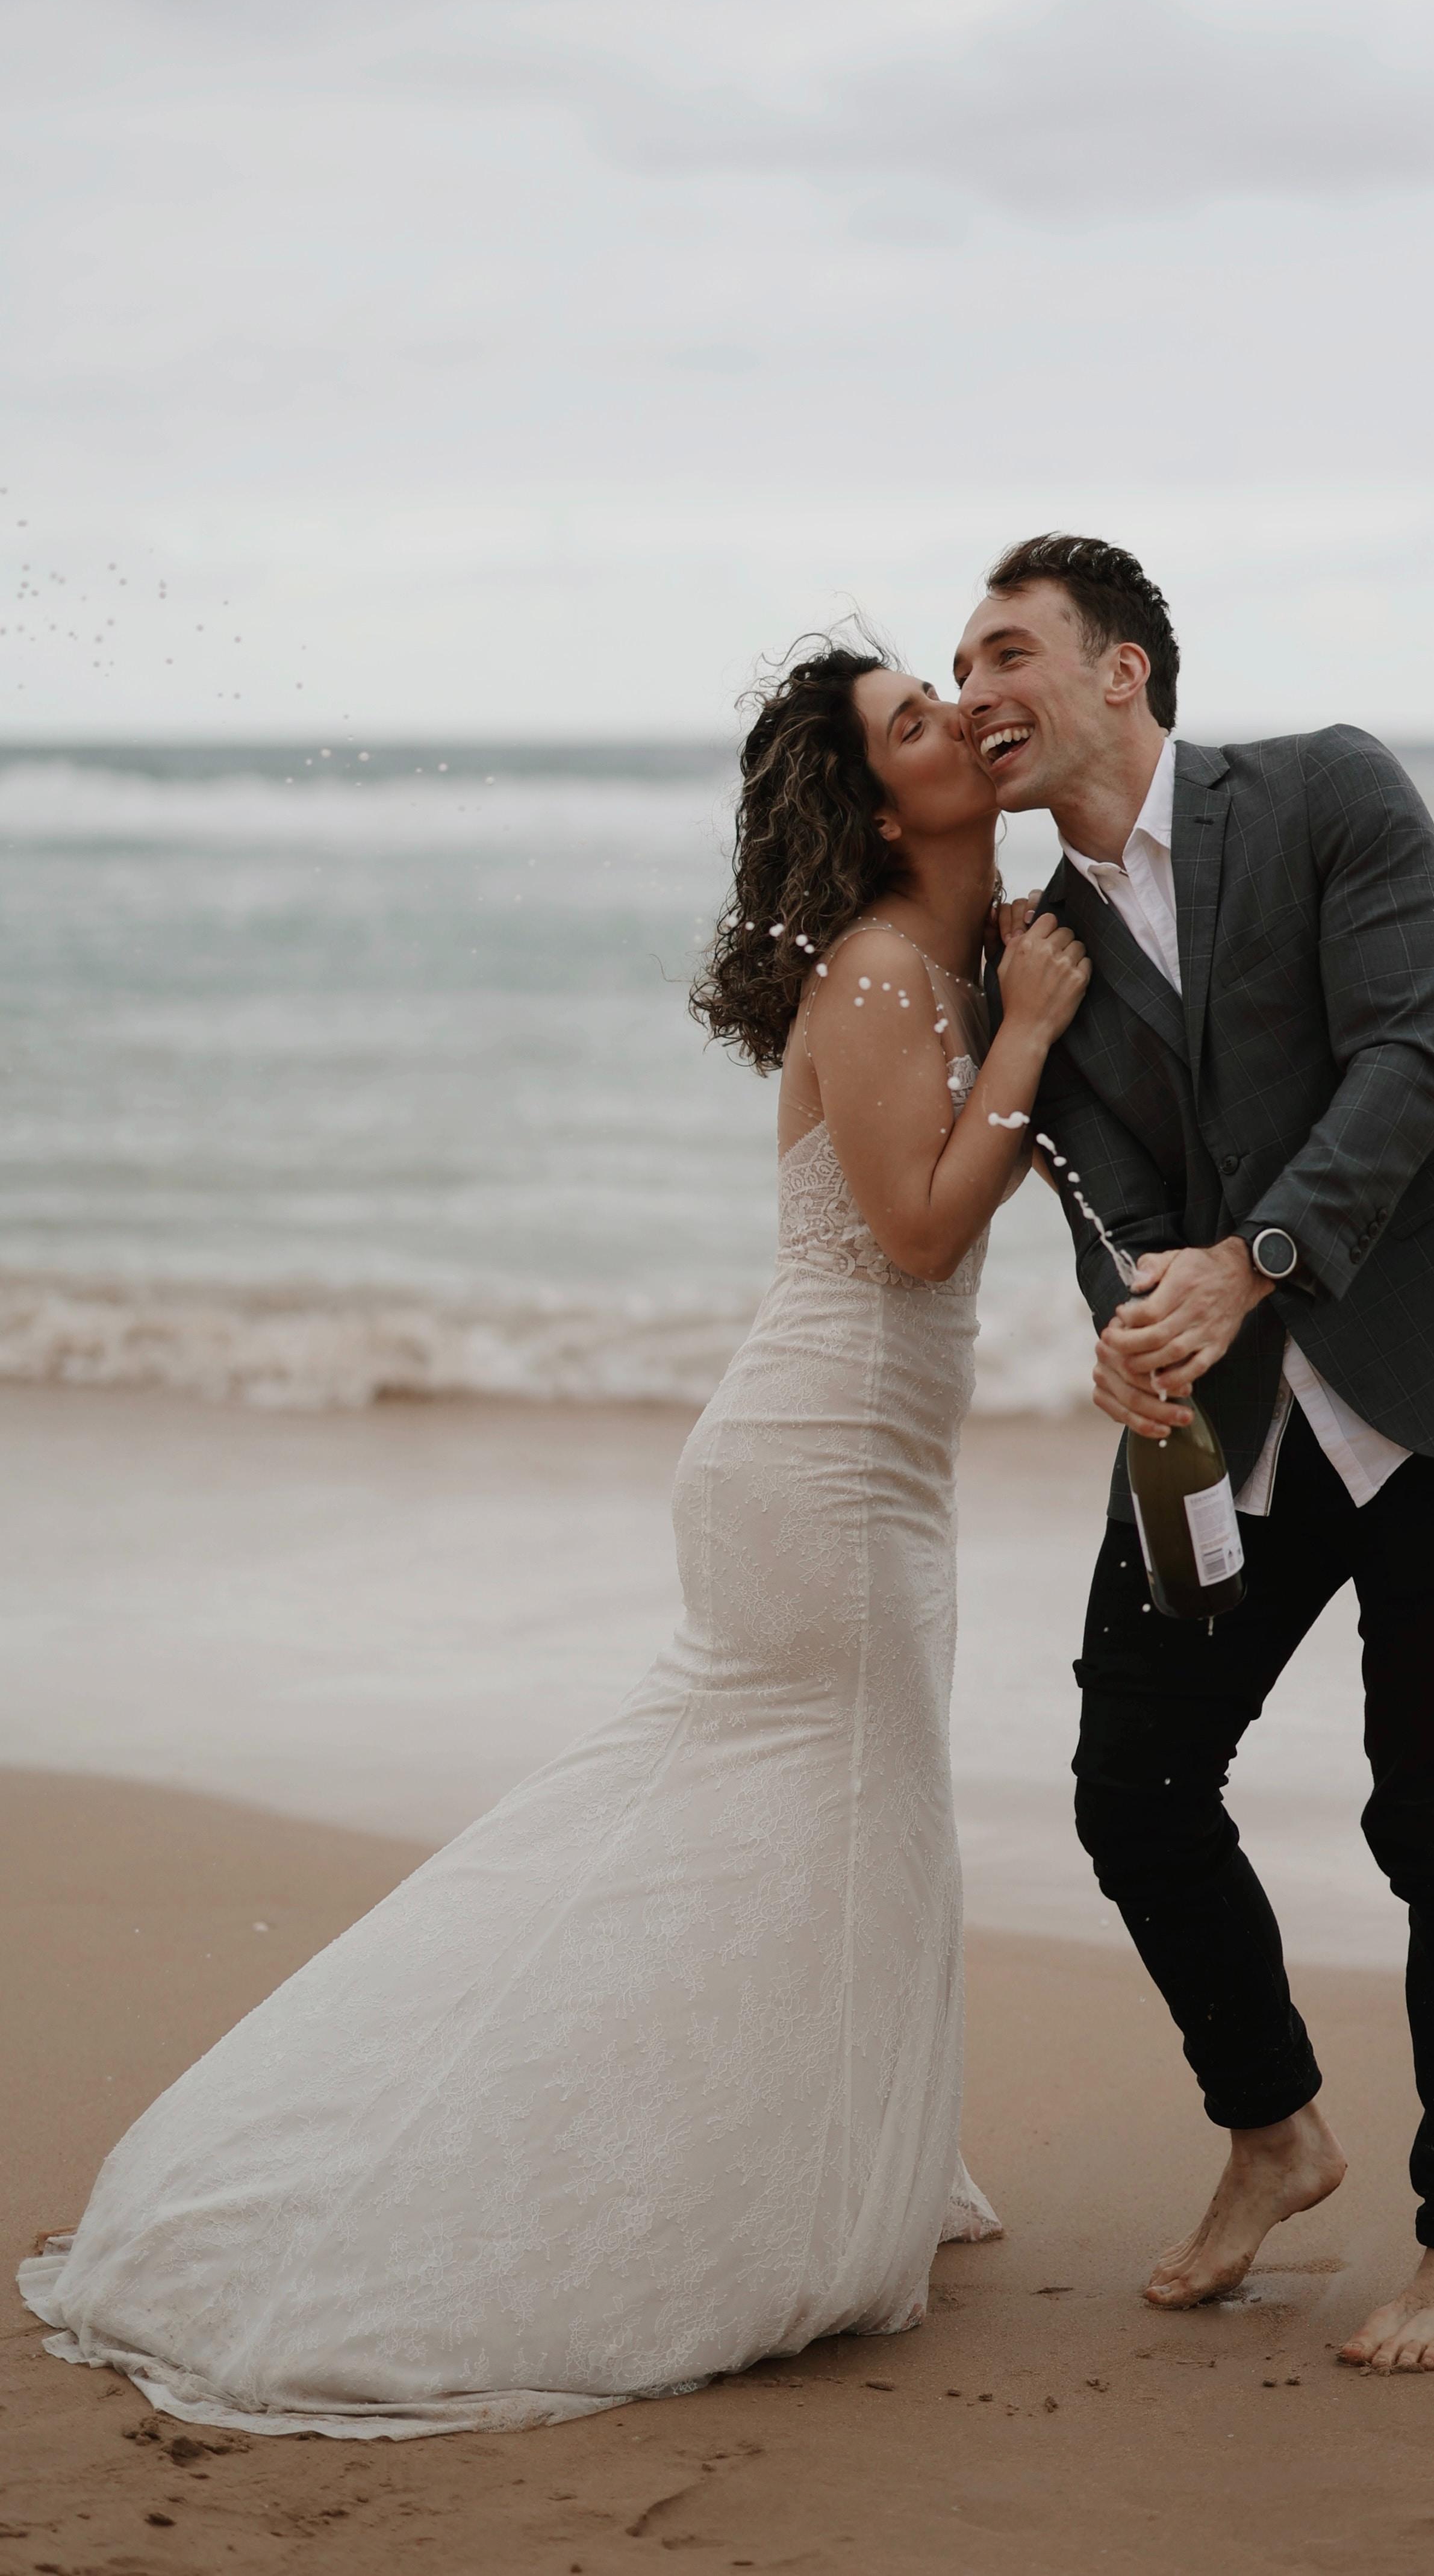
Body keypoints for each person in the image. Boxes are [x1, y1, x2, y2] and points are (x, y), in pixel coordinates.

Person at [19, 641, 1089, 2437]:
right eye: (910, 721)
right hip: (817, 1469)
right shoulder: (889, 971)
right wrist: (1040, 1037)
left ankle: (833, 2157)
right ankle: (663, 2191)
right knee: (801, 1811)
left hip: (856, 1466)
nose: (949, 724)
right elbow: (912, 1233)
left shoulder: (956, 957)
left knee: (845, 1825)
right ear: (869, 797)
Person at [953, 536, 1434, 2376]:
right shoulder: (1044, 952)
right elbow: (1104, 1197)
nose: (977, 687)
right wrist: (1134, 1315)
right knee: (1131, 1782)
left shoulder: (1327, 789)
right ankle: (1274, 2129)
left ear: (1124, 671)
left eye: (1010, 650)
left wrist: (1245, 1267)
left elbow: (1410, 1061)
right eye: (958, 660)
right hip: (1224, 1420)